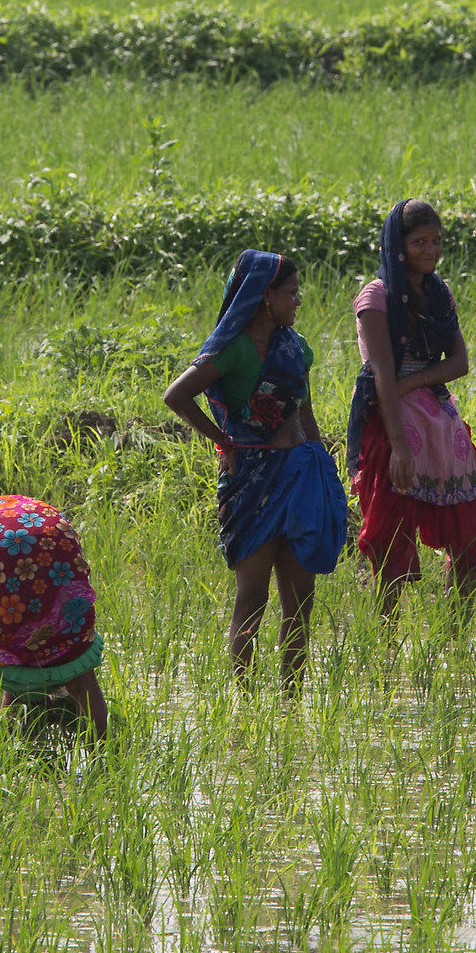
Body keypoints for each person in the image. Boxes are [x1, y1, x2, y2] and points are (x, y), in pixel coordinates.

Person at [162, 250, 348, 686]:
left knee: (300, 602)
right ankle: (245, 704)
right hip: (251, 480)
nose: (298, 301)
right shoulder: (233, 350)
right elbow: (176, 396)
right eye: (291, 293)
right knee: (251, 600)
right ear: (265, 297)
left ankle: (289, 702)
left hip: (300, 477)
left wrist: (324, 469)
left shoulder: (294, 348)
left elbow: (305, 414)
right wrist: (222, 440)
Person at [347, 199, 476, 618]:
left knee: (470, 538)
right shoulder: (377, 298)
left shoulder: (438, 293)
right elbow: (382, 373)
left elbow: (458, 363)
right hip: (392, 425)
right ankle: (385, 653)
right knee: (391, 546)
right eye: (419, 241)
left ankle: (451, 643)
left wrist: (412, 382)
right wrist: (399, 447)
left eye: (436, 241)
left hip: (439, 422)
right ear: (398, 244)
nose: (430, 250)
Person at [0, 495, 108, 768]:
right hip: (57, 538)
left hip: (1, 549)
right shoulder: (45, 516)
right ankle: (105, 764)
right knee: (81, 676)